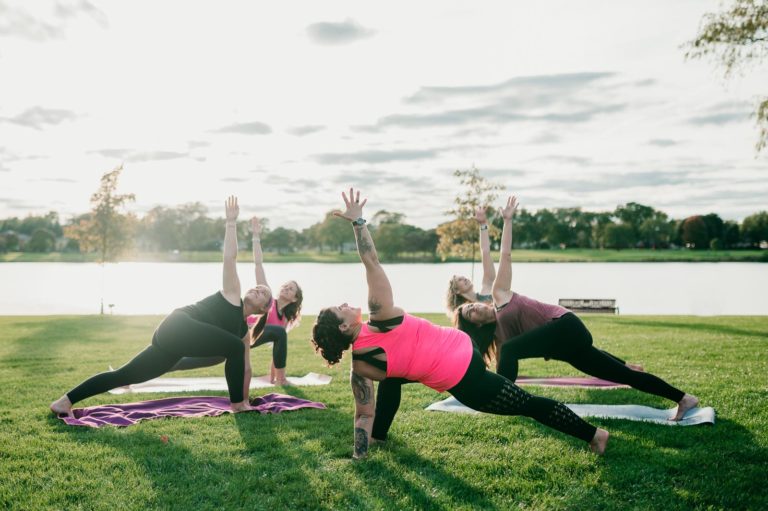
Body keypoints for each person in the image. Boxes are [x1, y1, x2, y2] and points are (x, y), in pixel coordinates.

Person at [310, 188, 609, 458]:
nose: (347, 304)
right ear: (343, 327)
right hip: (461, 349)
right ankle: (380, 438)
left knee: (526, 404)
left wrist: (358, 455)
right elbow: (371, 261)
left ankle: (595, 435)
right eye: (341, 309)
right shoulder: (380, 316)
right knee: (392, 377)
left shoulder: (360, 369)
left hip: (463, 372)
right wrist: (358, 222)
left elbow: (363, 414)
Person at [456, 195, 699, 422]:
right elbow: (495, 361)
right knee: (622, 375)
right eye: (471, 311)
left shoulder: (499, 296)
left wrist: (507, 221)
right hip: (565, 348)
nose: (475, 305)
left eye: (472, 305)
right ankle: (684, 398)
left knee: (510, 349)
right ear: (476, 324)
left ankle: (502, 399)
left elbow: (504, 255)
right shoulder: (499, 340)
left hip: (566, 327)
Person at [50, 196, 271, 416]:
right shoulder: (233, 294)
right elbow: (229, 258)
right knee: (232, 347)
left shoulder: (243, 331)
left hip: (172, 346)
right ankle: (237, 407)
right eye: (257, 287)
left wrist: (246, 397)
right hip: (179, 324)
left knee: (125, 375)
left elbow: (245, 368)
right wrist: (231, 223)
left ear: (263, 309)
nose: (257, 289)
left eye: (263, 293)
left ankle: (65, 401)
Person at [168, 216, 303, 386]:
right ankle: (158, 365)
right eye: (285, 285)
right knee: (195, 360)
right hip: (233, 331)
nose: (285, 288)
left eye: (290, 289)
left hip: (245, 340)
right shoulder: (267, 300)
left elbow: (278, 352)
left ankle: (280, 379)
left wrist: (274, 378)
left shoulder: (283, 320)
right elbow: (258, 264)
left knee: (279, 334)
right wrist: (255, 237)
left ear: (295, 299)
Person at [445, 206, 496, 314]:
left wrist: (483, 225)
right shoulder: (464, 313)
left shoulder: (486, 289)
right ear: (457, 291)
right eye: (460, 280)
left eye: (463, 277)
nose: (465, 279)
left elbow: (485, 251)